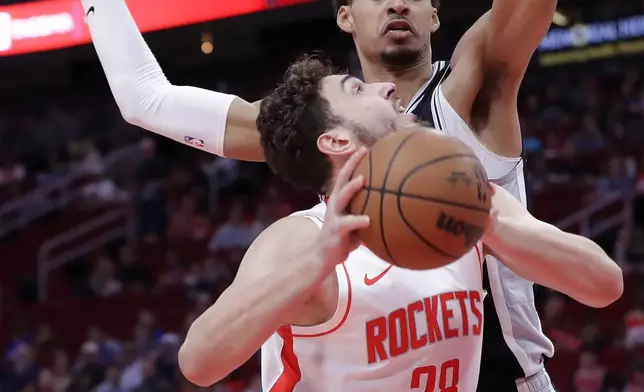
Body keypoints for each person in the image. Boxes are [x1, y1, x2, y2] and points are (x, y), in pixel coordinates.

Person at [79, 0, 584, 389]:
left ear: (435, 14)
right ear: (345, 16)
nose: (396, 4)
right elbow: (146, 98)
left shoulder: (477, 88)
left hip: (502, 375)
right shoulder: (318, 122)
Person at [176, 58, 623, 390]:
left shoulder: (469, 199)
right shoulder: (298, 239)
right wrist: (317, 261)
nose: (386, 88)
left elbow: (604, 285)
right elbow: (199, 361)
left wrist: (489, 223)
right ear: (336, 139)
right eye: (358, 90)